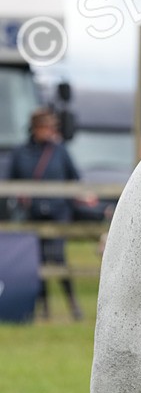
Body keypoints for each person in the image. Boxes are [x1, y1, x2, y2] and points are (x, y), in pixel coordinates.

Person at [9, 108, 84, 321]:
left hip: (58, 213)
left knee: (58, 258)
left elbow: (74, 177)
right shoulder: (20, 153)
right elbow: (11, 181)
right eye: (46, 127)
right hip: (32, 214)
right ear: (35, 128)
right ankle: (44, 308)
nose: (50, 131)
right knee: (37, 261)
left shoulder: (60, 151)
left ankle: (72, 303)